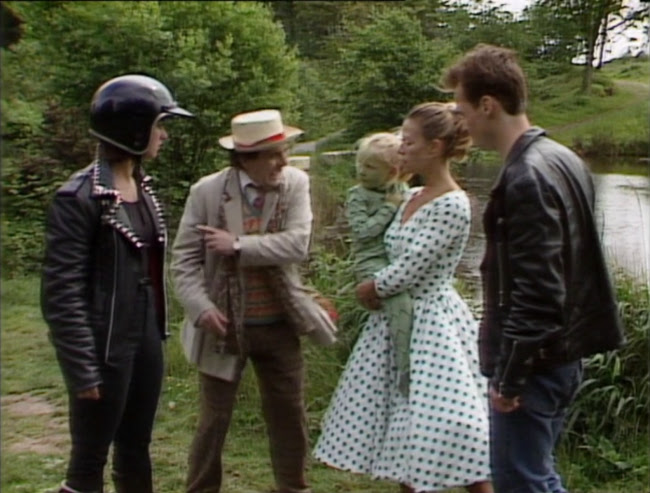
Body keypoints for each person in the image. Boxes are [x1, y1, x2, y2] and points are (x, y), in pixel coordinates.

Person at [442, 44, 625, 493]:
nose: (460, 122)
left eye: (462, 109)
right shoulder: (562, 157)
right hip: (562, 356)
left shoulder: (526, 176)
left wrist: (510, 377)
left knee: (521, 481)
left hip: (537, 366)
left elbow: (539, 292)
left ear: (488, 105)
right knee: (536, 474)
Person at [314, 102, 493, 493]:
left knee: (455, 427)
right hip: (394, 322)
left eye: (409, 142)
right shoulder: (410, 194)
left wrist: (372, 287)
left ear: (435, 147)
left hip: (431, 323)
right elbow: (381, 244)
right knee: (402, 429)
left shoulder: (452, 204)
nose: (400, 148)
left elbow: (414, 264)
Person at [41, 74, 194, 493]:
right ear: (134, 129)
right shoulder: (77, 197)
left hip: (144, 336)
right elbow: (61, 292)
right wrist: (81, 366)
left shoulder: (141, 186)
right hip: (103, 343)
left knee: (136, 447)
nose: (163, 135)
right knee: (89, 460)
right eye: (159, 125)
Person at [171, 109, 316, 493]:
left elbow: (297, 245)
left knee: (289, 414)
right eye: (273, 155)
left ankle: (294, 487)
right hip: (223, 327)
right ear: (245, 158)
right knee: (214, 419)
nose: (283, 162)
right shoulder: (207, 192)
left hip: (280, 324)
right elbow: (184, 261)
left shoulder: (296, 184)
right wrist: (201, 308)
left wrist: (237, 244)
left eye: (284, 151)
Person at [345, 132, 413, 395]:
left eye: (370, 166)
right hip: (371, 260)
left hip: (396, 257)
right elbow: (362, 232)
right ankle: (404, 367)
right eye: (359, 164)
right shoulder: (357, 195)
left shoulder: (402, 191)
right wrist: (389, 208)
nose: (361, 171)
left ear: (392, 171)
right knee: (398, 300)